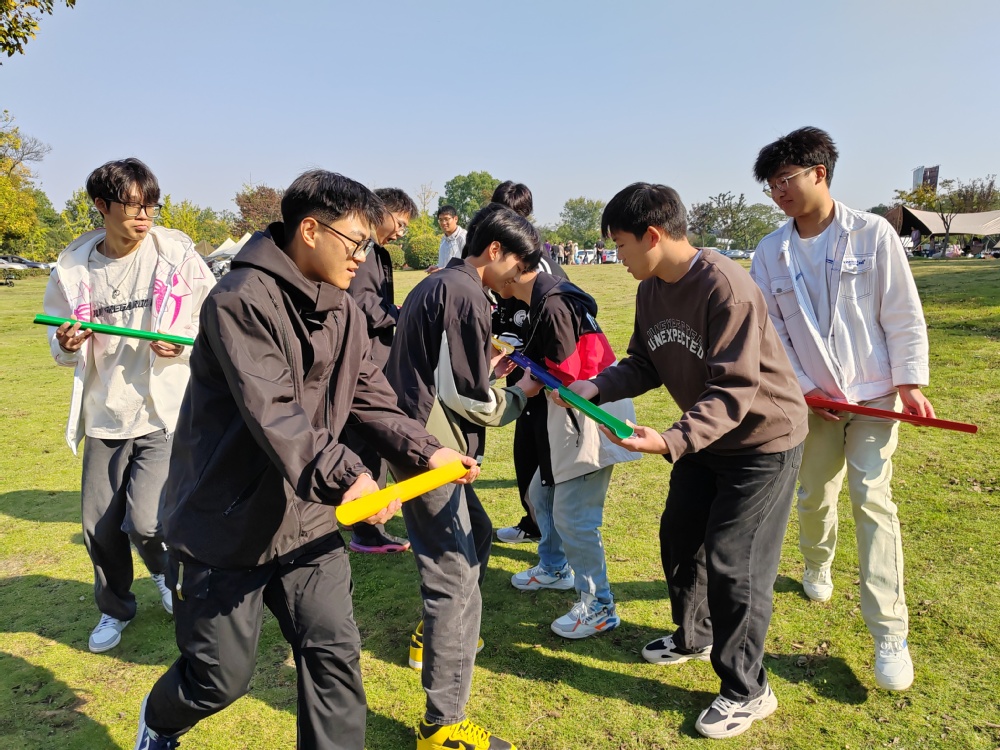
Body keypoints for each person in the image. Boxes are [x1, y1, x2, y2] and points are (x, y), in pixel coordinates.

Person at [133, 171, 477, 750]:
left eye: (369, 244)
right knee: (218, 679)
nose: (364, 256)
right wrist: (350, 476)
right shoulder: (239, 300)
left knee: (334, 657)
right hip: (227, 523)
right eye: (356, 242)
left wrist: (426, 448)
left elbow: (370, 394)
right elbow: (277, 413)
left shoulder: (343, 307)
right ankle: (160, 720)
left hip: (309, 519)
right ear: (311, 230)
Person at [560, 183, 807, 739]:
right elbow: (644, 362)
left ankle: (748, 689)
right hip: (707, 440)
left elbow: (734, 389)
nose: (617, 257)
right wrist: (595, 387)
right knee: (680, 537)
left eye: (620, 245)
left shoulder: (726, 288)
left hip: (762, 443)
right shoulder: (651, 289)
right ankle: (693, 635)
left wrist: (672, 440)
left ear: (652, 236)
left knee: (735, 563)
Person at [749, 126, 933, 692]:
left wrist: (909, 382)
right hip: (812, 402)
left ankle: (890, 634)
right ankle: (816, 561)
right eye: (771, 185)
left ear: (819, 173)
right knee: (814, 493)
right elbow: (770, 333)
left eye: (785, 179)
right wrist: (806, 389)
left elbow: (901, 312)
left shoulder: (873, 234)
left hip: (874, 395)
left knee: (872, 499)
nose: (779, 192)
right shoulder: (770, 251)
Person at [385, 205, 544, 750]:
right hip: (431, 452)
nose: (519, 278)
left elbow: (445, 369)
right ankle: (443, 724)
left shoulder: (441, 285)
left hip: (421, 440)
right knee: (453, 578)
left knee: (476, 538)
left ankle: (434, 637)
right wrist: (519, 395)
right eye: (519, 265)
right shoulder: (465, 293)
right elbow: (467, 395)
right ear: (494, 251)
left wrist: (487, 366)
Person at [42, 157, 215, 654]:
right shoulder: (73, 269)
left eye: (152, 206)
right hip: (104, 414)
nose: (145, 216)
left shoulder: (176, 255)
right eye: (134, 206)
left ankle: (163, 573)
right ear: (101, 205)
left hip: (162, 411)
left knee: (146, 521)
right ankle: (115, 608)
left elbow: (213, 317)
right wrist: (66, 343)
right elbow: (57, 341)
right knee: (98, 528)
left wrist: (180, 345)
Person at [495, 266, 639, 637]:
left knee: (575, 516)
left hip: (587, 417)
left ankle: (600, 606)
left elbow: (568, 374)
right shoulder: (544, 299)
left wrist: (528, 380)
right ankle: (554, 567)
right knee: (540, 494)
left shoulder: (553, 304)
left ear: (507, 263)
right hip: (565, 417)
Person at [485, 181, 569, 545]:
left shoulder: (538, 263)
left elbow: (558, 322)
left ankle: (554, 544)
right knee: (525, 455)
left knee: (546, 462)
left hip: (543, 380)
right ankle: (534, 525)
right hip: (517, 372)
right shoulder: (501, 258)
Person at [343, 187, 417, 554]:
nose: (400, 232)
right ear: (381, 212)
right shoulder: (364, 249)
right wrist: (399, 315)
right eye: (400, 223)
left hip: (370, 358)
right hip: (364, 361)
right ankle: (366, 531)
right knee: (367, 443)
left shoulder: (373, 250)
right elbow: (361, 303)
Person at [426, 205, 466, 273]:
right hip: (445, 278)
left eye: (447, 219)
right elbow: (445, 263)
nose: (443, 223)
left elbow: (468, 265)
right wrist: (437, 267)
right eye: (440, 220)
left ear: (455, 219)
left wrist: (444, 270)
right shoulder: (443, 240)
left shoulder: (464, 238)